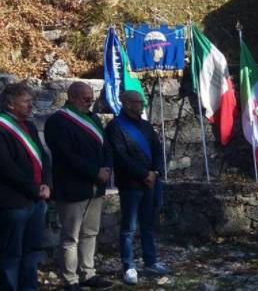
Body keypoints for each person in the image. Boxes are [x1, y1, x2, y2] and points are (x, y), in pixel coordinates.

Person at [44, 82, 113, 291]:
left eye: (91, 97)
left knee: (90, 232)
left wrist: (107, 169)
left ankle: (88, 273)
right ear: (72, 97)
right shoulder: (58, 121)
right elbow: (66, 156)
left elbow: (106, 146)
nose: (90, 101)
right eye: (85, 98)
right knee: (70, 236)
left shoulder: (93, 118)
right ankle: (71, 279)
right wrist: (94, 172)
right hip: (73, 187)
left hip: (96, 186)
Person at [104, 90, 168, 285]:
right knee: (129, 227)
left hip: (150, 182)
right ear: (127, 104)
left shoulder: (147, 126)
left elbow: (158, 150)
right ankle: (129, 265)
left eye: (142, 103)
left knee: (148, 225)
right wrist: (144, 174)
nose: (142, 106)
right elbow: (121, 157)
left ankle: (151, 261)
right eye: (139, 103)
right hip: (131, 183)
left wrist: (155, 172)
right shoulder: (115, 127)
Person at [0, 82, 51, 290]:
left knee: (32, 249)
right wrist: (33, 188)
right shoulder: (2, 127)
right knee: (12, 253)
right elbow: (6, 167)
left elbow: (43, 157)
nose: (31, 105)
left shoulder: (29, 126)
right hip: (14, 201)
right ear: (11, 104)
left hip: (37, 199)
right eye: (26, 101)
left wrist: (47, 183)